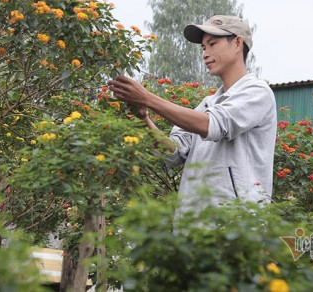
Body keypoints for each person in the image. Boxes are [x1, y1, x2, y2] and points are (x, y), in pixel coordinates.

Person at [108, 15, 276, 214]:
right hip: (194, 226)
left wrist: (148, 98)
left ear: (238, 43)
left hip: (236, 226)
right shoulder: (206, 104)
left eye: (212, 44)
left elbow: (213, 125)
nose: (205, 54)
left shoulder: (257, 92)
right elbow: (173, 155)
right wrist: (145, 117)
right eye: (203, 48)